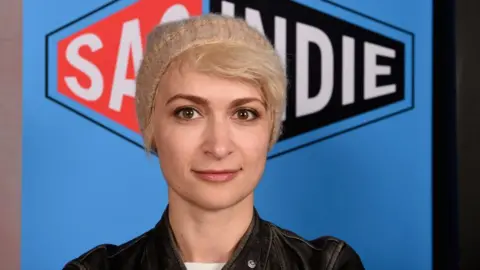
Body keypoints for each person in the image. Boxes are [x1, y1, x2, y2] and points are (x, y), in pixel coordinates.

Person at [63, 13, 365, 270]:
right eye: (188, 112)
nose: (219, 147)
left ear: (270, 129)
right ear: (152, 127)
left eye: (245, 113)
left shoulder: (328, 265)